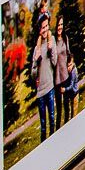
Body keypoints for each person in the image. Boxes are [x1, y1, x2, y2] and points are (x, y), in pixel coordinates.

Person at [30, 11, 60, 141]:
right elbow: (33, 75)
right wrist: (36, 60)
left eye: (47, 26)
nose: (45, 29)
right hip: (40, 94)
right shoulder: (36, 50)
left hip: (50, 88)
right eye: (43, 27)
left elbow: (54, 62)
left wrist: (51, 49)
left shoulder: (51, 40)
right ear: (39, 30)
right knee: (43, 125)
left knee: (52, 119)